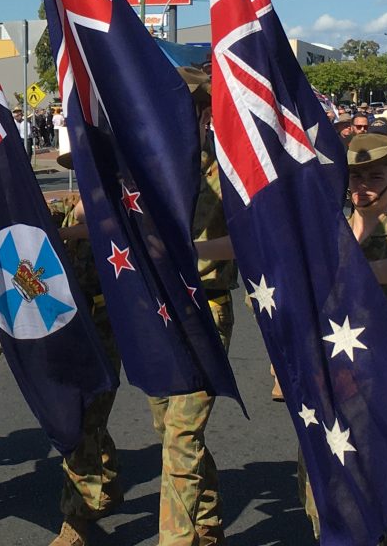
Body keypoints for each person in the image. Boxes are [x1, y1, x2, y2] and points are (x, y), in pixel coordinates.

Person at [298, 132, 387, 542]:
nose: (362, 186)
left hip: (373, 379)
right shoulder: (325, 230)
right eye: (355, 177)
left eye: (375, 176)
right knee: (316, 483)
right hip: (322, 376)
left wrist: (348, 272)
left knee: (351, 482)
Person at [147, 67, 236, 546]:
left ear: (204, 115)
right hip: (158, 314)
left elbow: (252, 240)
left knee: (181, 436)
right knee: (171, 431)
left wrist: (191, 250)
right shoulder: (146, 173)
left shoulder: (227, 173)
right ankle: (206, 523)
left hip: (205, 309)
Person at [44, 176, 123, 546]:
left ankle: (75, 523)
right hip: (68, 330)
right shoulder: (64, 208)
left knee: (84, 420)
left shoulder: (118, 208)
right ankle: (107, 477)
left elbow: (110, 232)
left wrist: (72, 232)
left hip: (106, 329)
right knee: (82, 414)